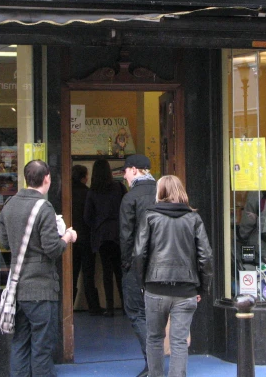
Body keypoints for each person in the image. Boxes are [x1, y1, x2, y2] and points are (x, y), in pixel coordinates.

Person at [0, 160, 78, 377]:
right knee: (42, 347)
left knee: (20, 343)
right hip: (41, 288)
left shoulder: (9, 205)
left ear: (26, 178)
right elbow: (52, 249)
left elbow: (5, 243)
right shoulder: (44, 207)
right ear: (47, 179)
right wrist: (67, 237)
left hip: (18, 288)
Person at [133, 175, 213, 377]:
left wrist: (142, 282)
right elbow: (206, 257)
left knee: (154, 338)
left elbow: (138, 254)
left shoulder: (150, 216)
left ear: (160, 193)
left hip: (155, 287)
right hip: (186, 289)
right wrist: (202, 288)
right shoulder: (193, 218)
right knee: (178, 341)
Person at [119, 154, 157, 377]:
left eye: (124, 170)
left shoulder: (130, 197)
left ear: (134, 170)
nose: (124, 176)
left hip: (138, 263)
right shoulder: (165, 192)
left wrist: (126, 265)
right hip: (165, 264)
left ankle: (152, 363)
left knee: (136, 312)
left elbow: (126, 236)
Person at [84, 158, 126, 317]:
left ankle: (109, 307)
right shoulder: (119, 187)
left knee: (107, 273)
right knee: (120, 271)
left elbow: (87, 216)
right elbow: (126, 208)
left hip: (101, 235)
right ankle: (125, 305)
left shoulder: (93, 191)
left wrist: (96, 226)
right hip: (118, 233)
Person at [71, 164, 101, 314]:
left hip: (69, 239)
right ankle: (93, 307)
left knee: (72, 274)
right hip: (86, 238)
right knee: (88, 275)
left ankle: (68, 307)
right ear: (84, 177)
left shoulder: (65, 193)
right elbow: (91, 216)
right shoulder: (88, 193)